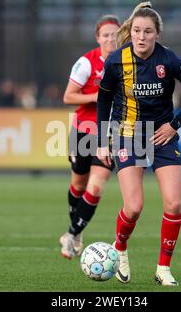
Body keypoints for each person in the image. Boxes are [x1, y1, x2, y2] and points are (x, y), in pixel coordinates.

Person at [96, 2, 181, 286]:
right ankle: (119, 249)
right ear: (130, 32)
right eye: (136, 30)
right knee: (133, 207)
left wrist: (174, 125)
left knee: (174, 204)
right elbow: (104, 100)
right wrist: (102, 140)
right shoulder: (115, 61)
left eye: (147, 31)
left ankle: (163, 269)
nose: (141, 36)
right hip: (129, 134)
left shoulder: (169, 60)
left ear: (157, 34)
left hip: (162, 136)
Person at [59, 15, 121, 259]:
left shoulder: (127, 63)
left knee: (95, 188)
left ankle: (73, 233)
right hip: (83, 131)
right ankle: (75, 229)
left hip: (110, 134)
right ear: (98, 38)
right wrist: (96, 97)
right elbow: (68, 97)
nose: (110, 39)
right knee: (78, 185)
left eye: (114, 34)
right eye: (105, 35)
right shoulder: (87, 62)